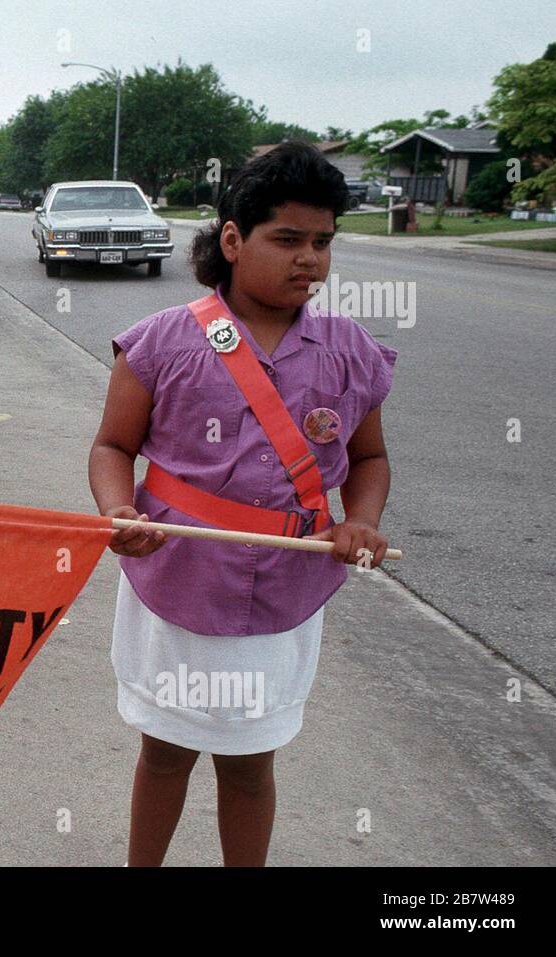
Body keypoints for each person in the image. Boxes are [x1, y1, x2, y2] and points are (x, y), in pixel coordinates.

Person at [88, 142, 396, 866]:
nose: (310, 259)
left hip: (284, 595)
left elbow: (371, 458)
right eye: (287, 239)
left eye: (323, 242)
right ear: (232, 239)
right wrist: (117, 510)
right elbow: (112, 446)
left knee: (251, 763)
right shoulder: (164, 340)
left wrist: (362, 520)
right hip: (176, 582)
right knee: (164, 753)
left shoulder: (347, 349)